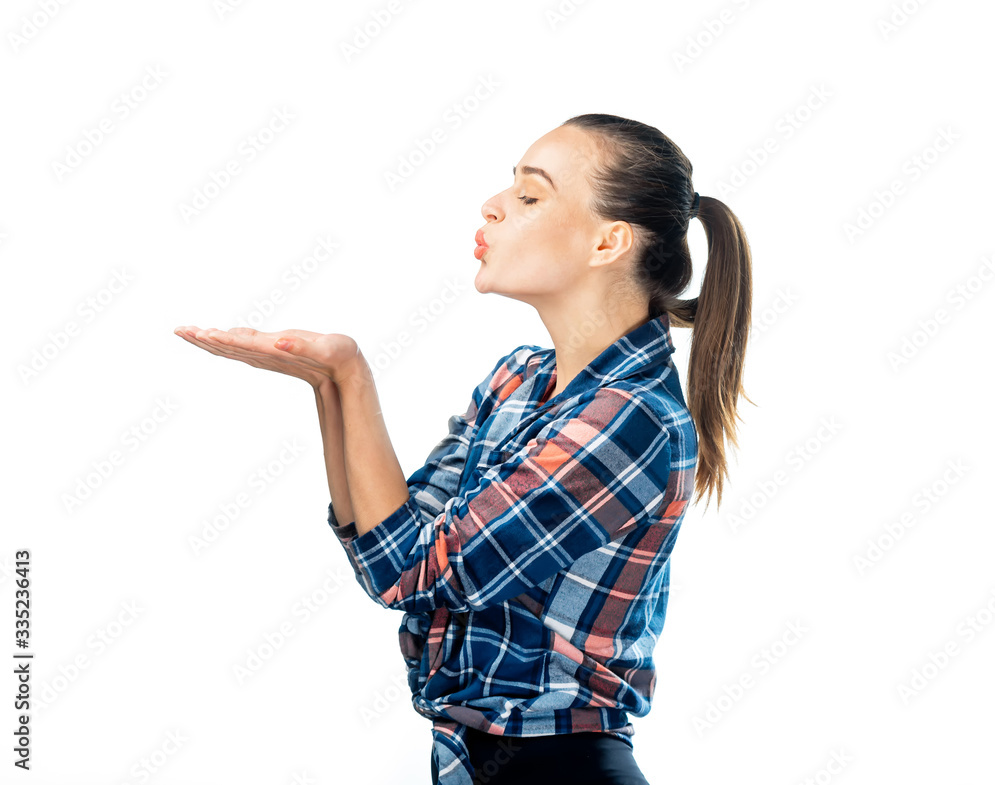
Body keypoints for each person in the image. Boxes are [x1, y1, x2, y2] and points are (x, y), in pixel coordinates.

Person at [174, 112, 753, 785]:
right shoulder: (516, 379)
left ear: (609, 242)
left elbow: (422, 571)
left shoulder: (634, 420)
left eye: (530, 196)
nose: (494, 205)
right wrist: (328, 387)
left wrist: (350, 376)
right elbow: (388, 558)